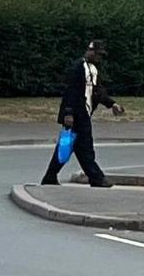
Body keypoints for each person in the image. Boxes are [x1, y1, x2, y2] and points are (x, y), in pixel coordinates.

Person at [41, 38, 124, 187]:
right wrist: (68, 113)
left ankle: (50, 176)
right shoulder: (77, 68)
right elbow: (71, 92)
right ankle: (97, 178)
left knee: (70, 147)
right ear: (90, 51)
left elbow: (98, 92)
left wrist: (112, 104)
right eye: (97, 54)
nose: (99, 57)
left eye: (101, 55)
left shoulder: (94, 70)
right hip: (76, 115)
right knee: (83, 147)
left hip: (84, 114)